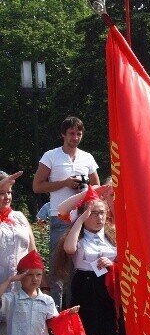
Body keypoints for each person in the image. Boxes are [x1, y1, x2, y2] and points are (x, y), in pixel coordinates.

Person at [55, 195, 121, 335]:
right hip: (85, 290)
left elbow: (125, 259)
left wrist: (112, 264)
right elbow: (69, 248)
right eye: (94, 213)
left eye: (102, 213)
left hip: (108, 290)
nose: (99, 217)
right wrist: (81, 219)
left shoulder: (111, 237)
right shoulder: (79, 236)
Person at [32, 117, 100, 311]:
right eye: (71, 133)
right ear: (63, 134)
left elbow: (97, 186)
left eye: (79, 133)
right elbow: (37, 186)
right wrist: (65, 183)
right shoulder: (51, 156)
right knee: (57, 271)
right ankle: (55, 317)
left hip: (82, 219)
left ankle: (75, 317)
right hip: (59, 219)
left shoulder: (87, 157)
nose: (75, 137)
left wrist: (85, 186)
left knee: (78, 269)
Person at [0, 170, 37, 335]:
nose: (6, 197)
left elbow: (32, 250)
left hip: (20, 293)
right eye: (1, 193)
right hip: (1, 289)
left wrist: (37, 285)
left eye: (9, 193)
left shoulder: (20, 217)